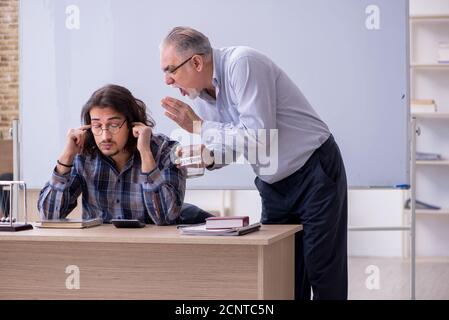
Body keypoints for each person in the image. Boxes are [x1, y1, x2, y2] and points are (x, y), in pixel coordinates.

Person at [159, 27, 348, 299]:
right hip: (273, 182)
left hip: (313, 170)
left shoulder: (243, 64)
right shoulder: (201, 98)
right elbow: (232, 145)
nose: (167, 80)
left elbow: (259, 136)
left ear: (197, 62)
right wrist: (206, 157)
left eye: (170, 70)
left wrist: (199, 126)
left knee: (323, 273)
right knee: (282, 273)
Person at [38, 84, 196, 225]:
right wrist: (66, 156)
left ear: (132, 123)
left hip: (152, 251)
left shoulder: (166, 151)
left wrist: (146, 153)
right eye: (97, 126)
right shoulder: (84, 154)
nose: (105, 136)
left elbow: (166, 218)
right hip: (99, 250)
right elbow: (48, 216)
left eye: (114, 125)